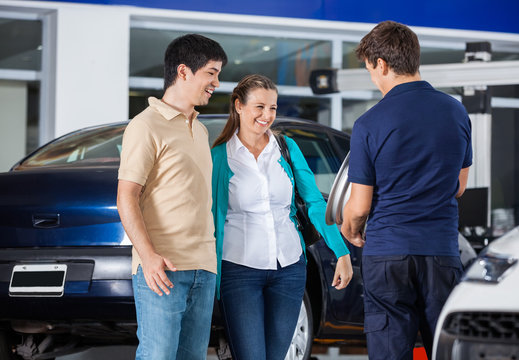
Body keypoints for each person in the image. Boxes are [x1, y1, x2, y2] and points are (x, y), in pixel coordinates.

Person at [341, 21, 472, 360]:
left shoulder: (369, 123)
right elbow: (458, 186)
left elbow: (359, 206)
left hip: (388, 254)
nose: (373, 77)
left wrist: (350, 229)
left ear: (381, 64)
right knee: (446, 350)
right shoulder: (456, 112)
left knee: (389, 352)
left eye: (371, 69)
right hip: (441, 252)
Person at [211, 74, 353, 360]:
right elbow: (210, 217)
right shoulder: (219, 157)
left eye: (273, 108)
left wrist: (341, 251)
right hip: (239, 270)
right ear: (238, 106)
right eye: (259, 107)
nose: (267, 116)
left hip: (289, 267)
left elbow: (314, 202)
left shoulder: (286, 148)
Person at [116, 34, 227, 360]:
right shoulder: (145, 126)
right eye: (211, 72)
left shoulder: (201, 129)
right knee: (158, 355)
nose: (216, 83)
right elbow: (127, 196)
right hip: (162, 269)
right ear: (183, 71)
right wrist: (148, 256)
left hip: (203, 269)